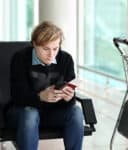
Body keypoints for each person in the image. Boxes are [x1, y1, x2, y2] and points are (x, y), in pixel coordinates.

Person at [6, 21, 84, 150]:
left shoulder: (66, 60)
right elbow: (17, 96)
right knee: (30, 113)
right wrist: (40, 97)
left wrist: (69, 98)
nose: (51, 54)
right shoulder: (20, 58)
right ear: (34, 45)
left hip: (52, 113)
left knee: (76, 111)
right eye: (46, 49)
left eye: (55, 48)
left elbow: (69, 103)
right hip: (21, 113)